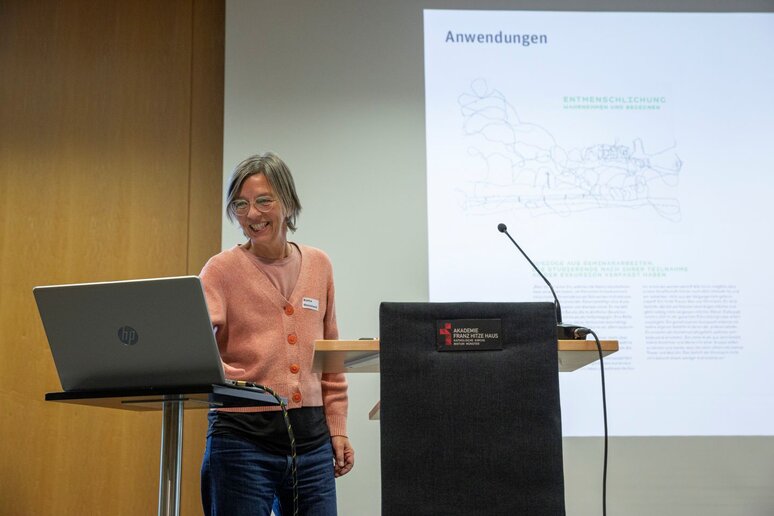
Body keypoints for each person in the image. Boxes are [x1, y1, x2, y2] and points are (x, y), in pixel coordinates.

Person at [199, 152, 354, 515]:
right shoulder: (220, 271)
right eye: (240, 205)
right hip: (241, 441)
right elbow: (190, 345)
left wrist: (338, 428)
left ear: (287, 202)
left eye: (263, 201)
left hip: (313, 446)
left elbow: (330, 357)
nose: (252, 215)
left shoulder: (319, 265)